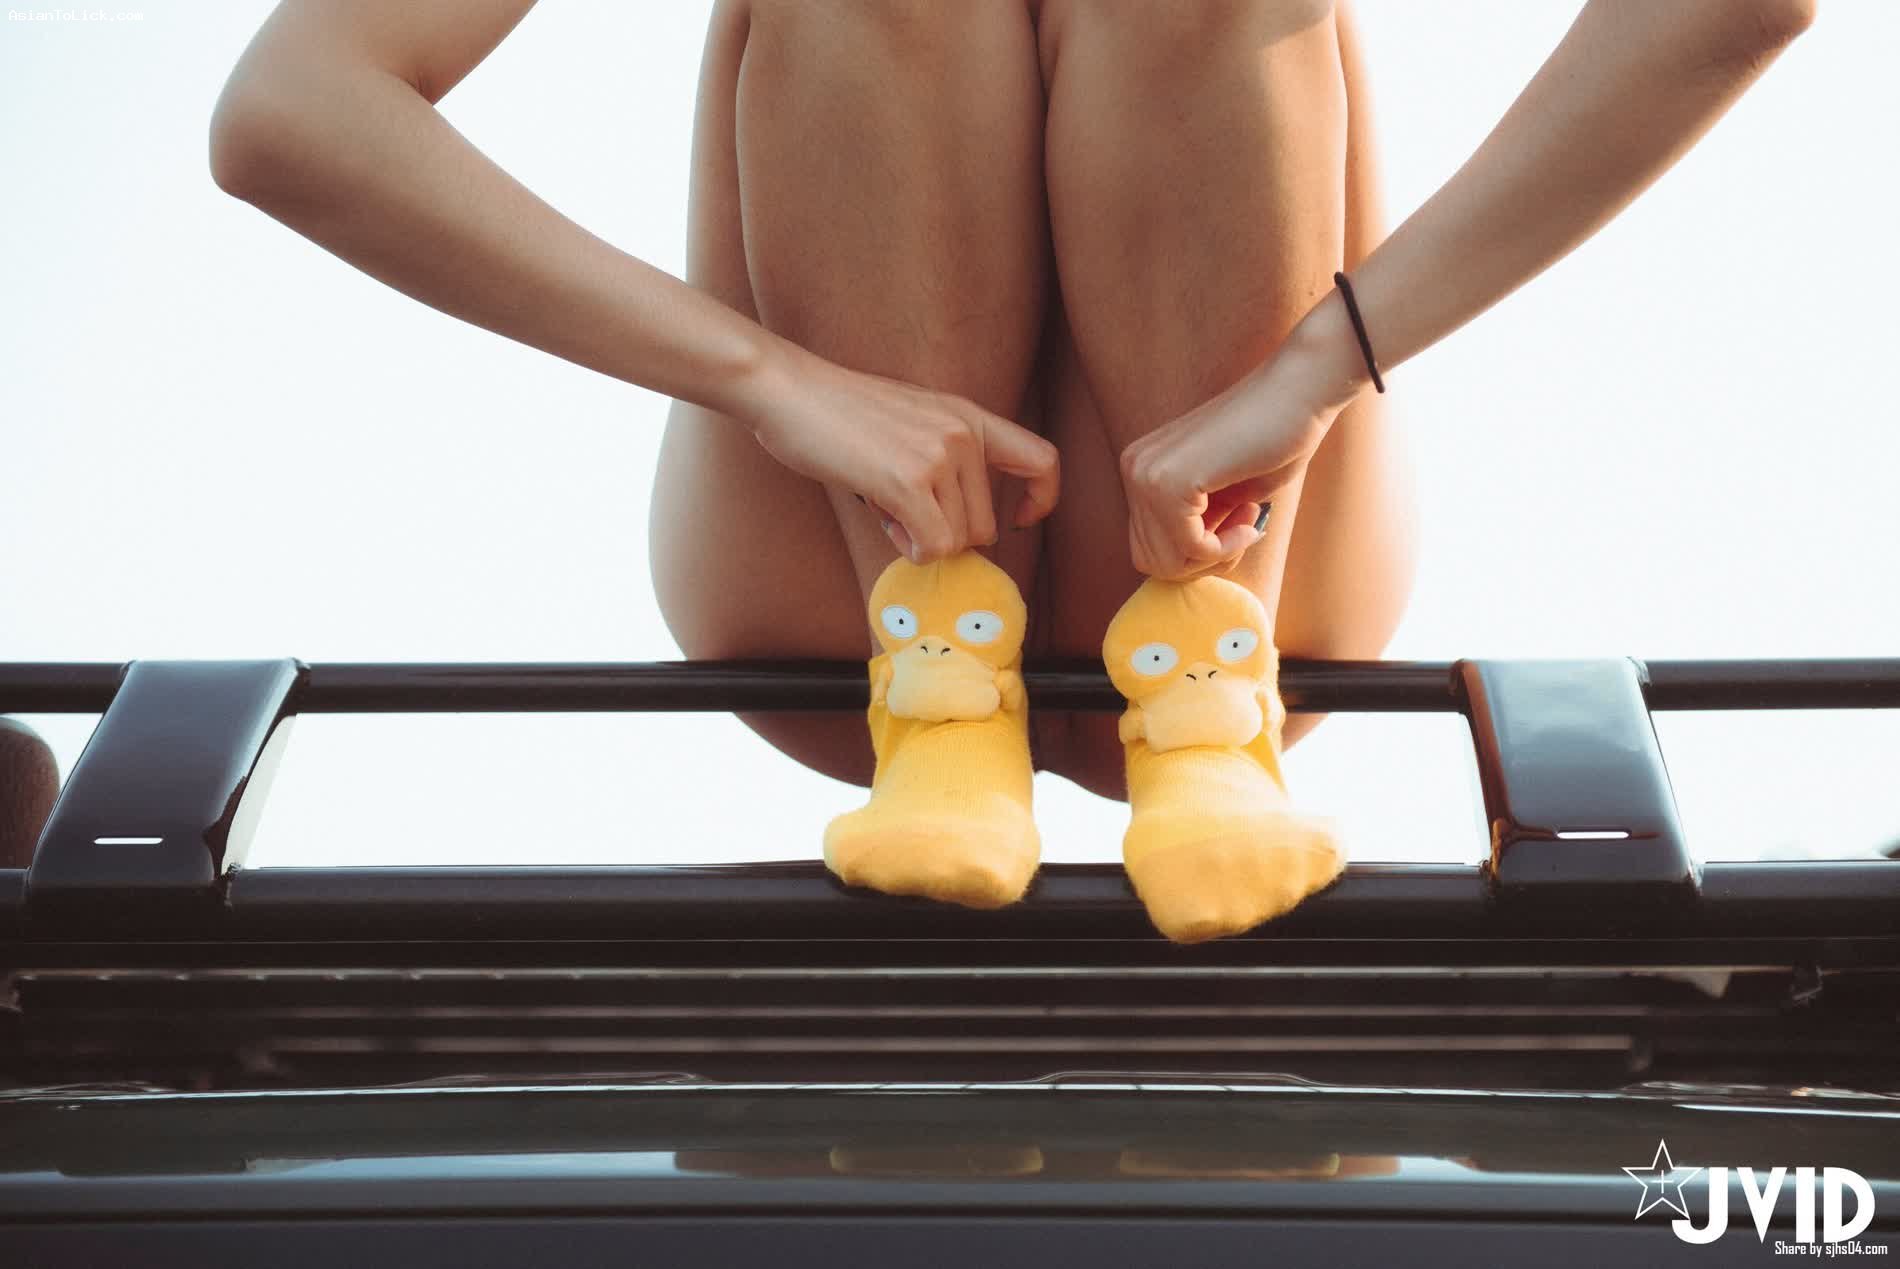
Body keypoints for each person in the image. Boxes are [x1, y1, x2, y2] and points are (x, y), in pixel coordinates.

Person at [208, 0, 1814, 805]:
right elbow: (289, 109)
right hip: (841, 564)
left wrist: (1325, 364)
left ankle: (1199, 680)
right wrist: (772, 382)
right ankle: (943, 669)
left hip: (1239, 531)